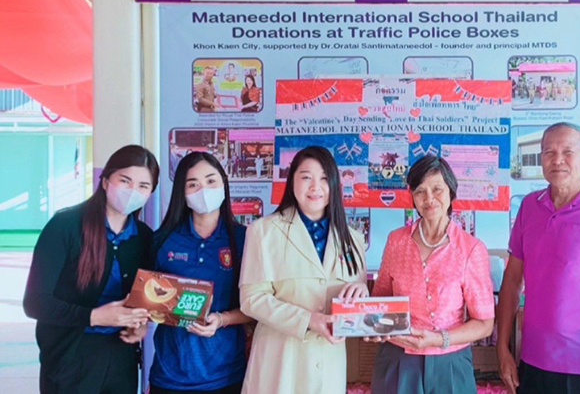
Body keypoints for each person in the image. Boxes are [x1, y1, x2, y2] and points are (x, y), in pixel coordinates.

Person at [497, 122, 580, 394]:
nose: (557, 160)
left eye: (568, 152)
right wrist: (502, 349)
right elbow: (512, 281)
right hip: (533, 361)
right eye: (549, 152)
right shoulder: (529, 207)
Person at [23, 145, 159, 394]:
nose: (133, 191)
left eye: (143, 186)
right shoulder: (65, 226)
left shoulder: (144, 238)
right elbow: (34, 303)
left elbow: (144, 298)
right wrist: (94, 316)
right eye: (125, 181)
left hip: (121, 355)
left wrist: (140, 324)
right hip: (70, 357)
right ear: (105, 181)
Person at [239, 146, 368, 393]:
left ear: (334, 185)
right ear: (292, 182)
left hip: (328, 365)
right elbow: (251, 299)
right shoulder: (263, 231)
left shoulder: (353, 239)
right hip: (281, 364)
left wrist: (362, 292)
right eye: (306, 177)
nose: (315, 187)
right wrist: (308, 320)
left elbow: (354, 301)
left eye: (324, 178)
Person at [369, 155, 495, 394]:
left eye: (437, 189)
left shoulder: (471, 249)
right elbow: (380, 301)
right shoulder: (396, 241)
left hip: (450, 362)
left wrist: (439, 339)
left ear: (451, 192)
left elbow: (484, 324)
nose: (429, 199)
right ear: (412, 196)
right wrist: (375, 326)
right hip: (398, 357)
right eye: (420, 191)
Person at [149, 152, 252, 394]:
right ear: (182, 193)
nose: (203, 190)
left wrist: (222, 319)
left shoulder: (245, 239)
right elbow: (146, 298)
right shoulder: (163, 240)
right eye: (193, 184)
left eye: (211, 181)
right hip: (170, 375)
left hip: (226, 374)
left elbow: (256, 306)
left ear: (224, 186)